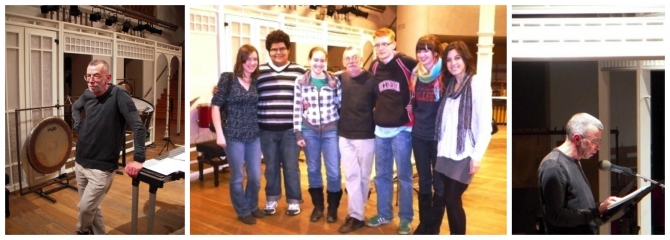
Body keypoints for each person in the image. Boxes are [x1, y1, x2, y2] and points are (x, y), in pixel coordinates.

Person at [71, 59, 146, 235]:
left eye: (96, 75)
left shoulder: (119, 94)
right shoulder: (87, 94)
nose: (91, 80)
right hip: (80, 161)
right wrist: (79, 126)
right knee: (92, 208)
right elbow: (75, 107)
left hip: (102, 166)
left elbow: (138, 126)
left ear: (108, 77)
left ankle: (81, 232)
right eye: (88, 76)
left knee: (85, 208)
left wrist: (139, 158)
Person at [433, 40, 492, 235]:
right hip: (445, 152)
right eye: (449, 59)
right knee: (449, 200)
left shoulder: (478, 84)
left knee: (451, 198)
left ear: (465, 59)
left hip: (465, 153)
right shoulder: (449, 85)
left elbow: (484, 125)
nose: (453, 63)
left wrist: (477, 156)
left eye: (457, 58)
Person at [366, 28, 418, 235]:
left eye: (384, 44)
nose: (380, 48)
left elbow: (426, 79)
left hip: (402, 129)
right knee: (381, 176)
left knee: (404, 176)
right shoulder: (374, 65)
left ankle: (405, 218)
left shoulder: (407, 63)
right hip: (381, 130)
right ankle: (384, 213)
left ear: (394, 44)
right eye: (377, 44)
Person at [538, 112, 620, 234]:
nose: (598, 147)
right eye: (594, 141)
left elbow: (576, 204)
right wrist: (597, 211)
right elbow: (556, 216)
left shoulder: (575, 161)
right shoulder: (553, 166)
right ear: (577, 138)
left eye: (599, 141)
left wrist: (603, 206)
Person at [211, 44, 264, 225]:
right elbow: (216, 106)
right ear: (241, 60)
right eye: (248, 59)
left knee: (256, 176)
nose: (252, 63)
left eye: (255, 59)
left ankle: (252, 205)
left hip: (254, 135)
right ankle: (242, 210)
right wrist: (219, 133)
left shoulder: (257, 81)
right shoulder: (228, 79)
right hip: (233, 135)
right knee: (237, 176)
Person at [258, 30, 306, 215]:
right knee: (270, 167)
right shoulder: (259, 71)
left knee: (291, 167)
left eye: (282, 49)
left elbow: (310, 95)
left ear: (288, 50)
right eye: (274, 49)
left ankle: (294, 201)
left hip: (290, 130)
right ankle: (271, 200)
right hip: (266, 129)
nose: (278, 52)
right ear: (268, 51)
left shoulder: (300, 71)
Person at [293, 46, 342, 224]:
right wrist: (298, 133)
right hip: (309, 130)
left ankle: (333, 208)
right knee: (313, 169)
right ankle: (318, 206)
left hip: (331, 130)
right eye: (315, 60)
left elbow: (340, 104)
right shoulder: (301, 81)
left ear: (326, 62)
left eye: (322, 60)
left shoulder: (334, 81)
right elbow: (297, 108)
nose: (318, 64)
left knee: (334, 171)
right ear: (310, 60)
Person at [336, 46, 377, 233]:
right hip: (344, 136)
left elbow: (380, 105)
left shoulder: (371, 80)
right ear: (344, 62)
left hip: (366, 136)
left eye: (355, 57)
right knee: (351, 176)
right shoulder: (340, 78)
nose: (351, 61)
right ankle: (356, 215)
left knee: (363, 178)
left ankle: (356, 213)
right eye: (347, 58)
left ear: (361, 59)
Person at [410, 35, 445, 235]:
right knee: (423, 180)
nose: (422, 54)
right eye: (419, 50)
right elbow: (414, 104)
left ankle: (434, 228)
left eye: (427, 50)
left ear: (435, 53)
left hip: (438, 137)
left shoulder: (444, 75)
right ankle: (424, 225)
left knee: (439, 183)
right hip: (419, 135)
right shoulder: (415, 75)